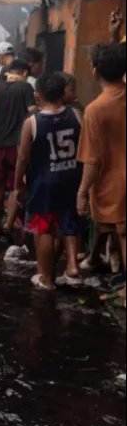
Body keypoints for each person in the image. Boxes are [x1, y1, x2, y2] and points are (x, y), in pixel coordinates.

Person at [15, 73, 84, 289]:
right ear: (64, 93)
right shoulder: (76, 114)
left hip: (43, 182)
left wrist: (18, 184)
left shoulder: (32, 123)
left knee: (44, 229)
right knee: (70, 222)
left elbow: (23, 157)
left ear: (37, 96)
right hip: (72, 177)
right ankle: (73, 267)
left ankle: (46, 277)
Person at [77, 43, 127, 306]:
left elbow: (92, 160)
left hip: (112, 182)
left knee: (122, 232)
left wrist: (82, 192)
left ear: (95, 73)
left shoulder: (95, 110)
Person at [0, 59, 36, 240]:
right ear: (24, 73)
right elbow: (33, 112)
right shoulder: (25, 88)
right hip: (17, 146)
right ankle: (8, 224)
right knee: (17, 187)